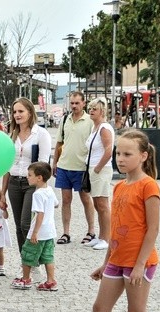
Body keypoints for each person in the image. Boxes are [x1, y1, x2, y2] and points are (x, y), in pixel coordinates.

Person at [57, 129, 160, 312]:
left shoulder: (148, 185)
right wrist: (106, 262)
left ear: (143, 156)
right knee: (100, 309)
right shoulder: (120, 186)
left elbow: (152, 230)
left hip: (139, 262)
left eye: (127, 154)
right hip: (117, 259)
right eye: (118, 153)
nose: (120, 159)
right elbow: (115, 229)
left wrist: (140, 265)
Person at [0, 97, 52, 254]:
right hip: (14, 183)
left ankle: (33, 257)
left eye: (20, 111)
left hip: (32, 184)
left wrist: (40, 189)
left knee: (26, 223)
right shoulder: (11, 136)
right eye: (14, 112)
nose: (17, 114)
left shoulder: (41, 134)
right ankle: (25, 260)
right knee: (18, 225)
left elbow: (44, 164)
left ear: (30, 112)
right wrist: (2, 194)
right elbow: (6, 166)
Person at [53, 91, 95, 246]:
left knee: (86, 199)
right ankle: (66, 232)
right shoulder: (65, 119)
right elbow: (59, 142)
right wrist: (55, 163)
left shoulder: (90, 121)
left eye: (77, 103)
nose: (74, 106)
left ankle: (91, 231)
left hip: (82, 167)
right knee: (66, 200)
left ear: (84, 103)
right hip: (64, 166)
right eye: (72, 103)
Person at [10, 162, 59, 291]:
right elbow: (56, 204)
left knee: (27, 254)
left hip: (39, 232)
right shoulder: (49, 190)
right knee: (48, 256)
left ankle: (25, 279)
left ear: (39, 178)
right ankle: (51, 281)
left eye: (30, 175)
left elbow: (40, 214)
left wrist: (35, 232)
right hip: (49, 231)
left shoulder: (37, 194)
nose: (27, 177)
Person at [83, 98, 115, 252]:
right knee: (97, 203)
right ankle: (102, 236)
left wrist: (98, 168)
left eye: (94, 109)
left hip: (100, 169)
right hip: (93, 168)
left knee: (102, 205)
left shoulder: (104, 128)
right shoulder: (94, 127)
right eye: (90, 108)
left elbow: (109, 150)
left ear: (102, 111)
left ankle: (106, 238)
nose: (91, 111)